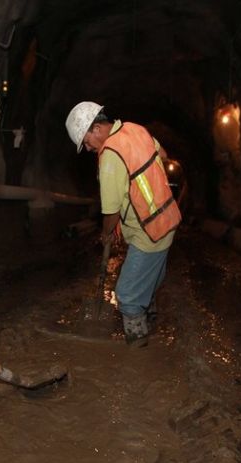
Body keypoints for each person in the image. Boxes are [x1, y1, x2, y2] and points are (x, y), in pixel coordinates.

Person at [65, 102, 181, 348]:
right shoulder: (135, 129)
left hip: (148, 233)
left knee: (127, 294)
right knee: (149, 282)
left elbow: (110, 211)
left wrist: (106, 234)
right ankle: (150, 318)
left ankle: (138, 352)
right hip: (166, 221)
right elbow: (162, 155)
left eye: (85, 142)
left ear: (96, 128)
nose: (87, 149)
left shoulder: (110, 155)